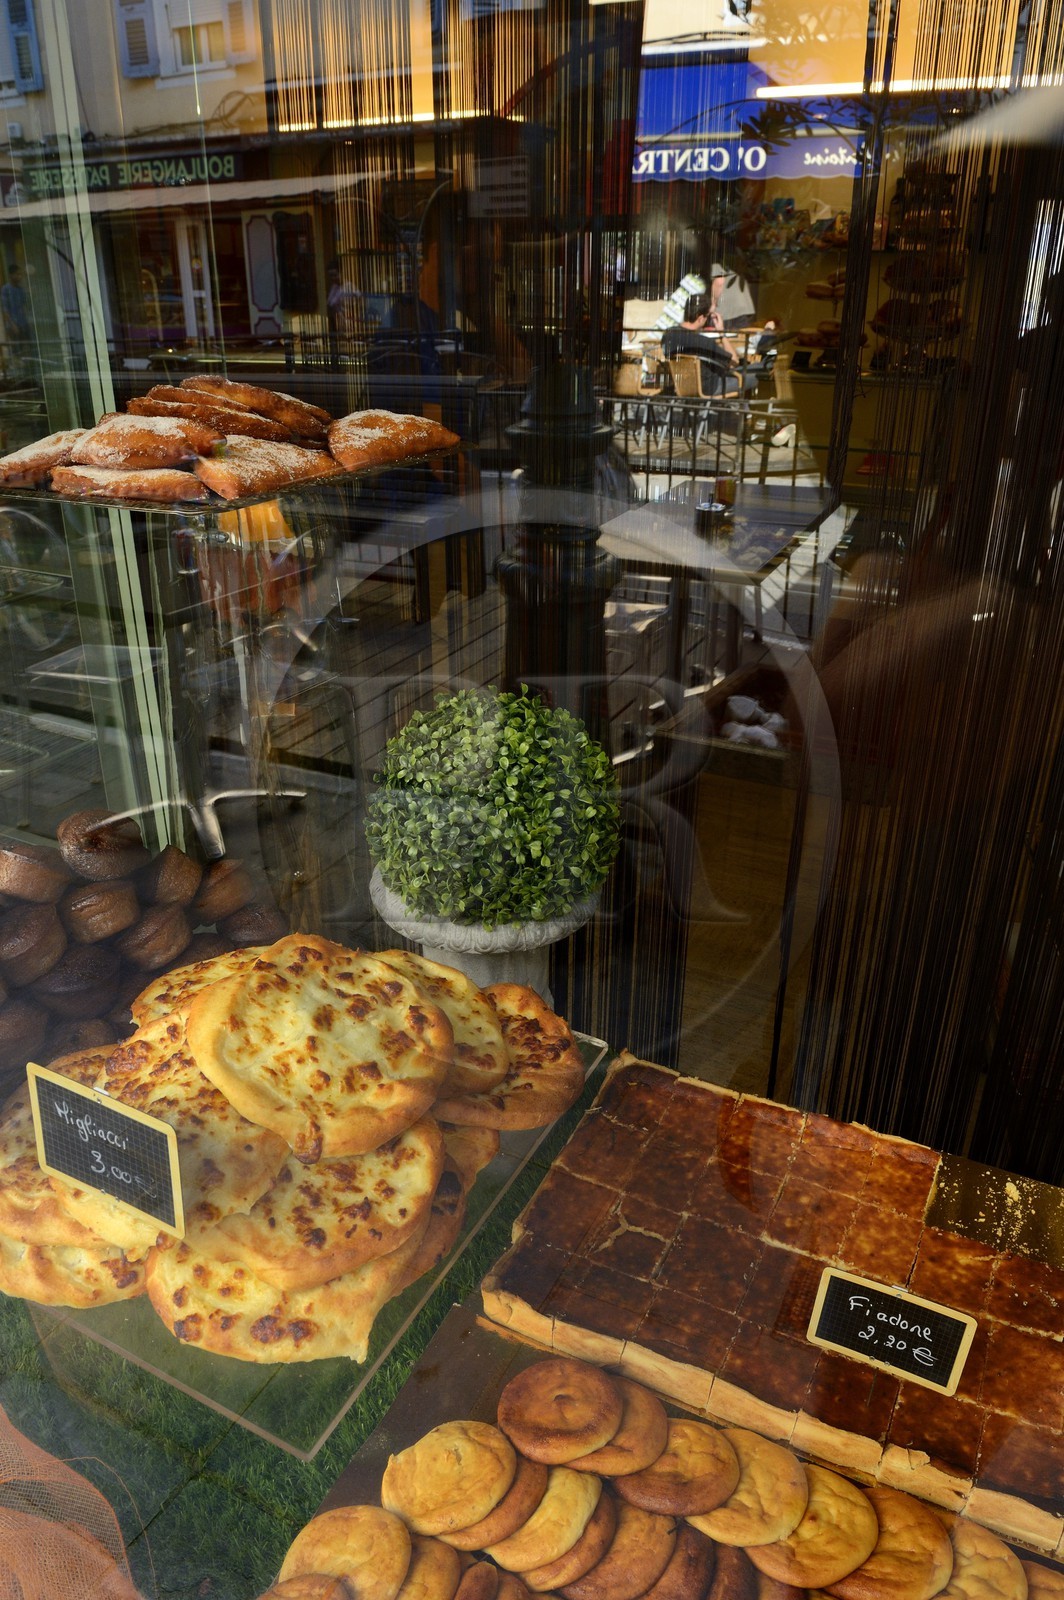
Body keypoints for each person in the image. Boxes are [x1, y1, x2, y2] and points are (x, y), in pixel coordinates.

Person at [661, 293, 745, 396]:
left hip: (681, 385)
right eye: (708, 317)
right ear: (700, 318)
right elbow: (734, 362)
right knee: (754, 376)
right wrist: (721, 333)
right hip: (708, 387)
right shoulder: (703, 342)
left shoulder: (668, 334)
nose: (708, 320)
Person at [1, 265, 31, 376]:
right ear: (11, 275)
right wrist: (13, 325)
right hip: (13, 325)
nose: (19, 277)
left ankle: (26, 372)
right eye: (17, 274)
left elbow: (24, 306)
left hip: (23, 323)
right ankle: (17, 373)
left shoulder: (21, 290)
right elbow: (5, 310)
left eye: (20, 274)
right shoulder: (6, 289)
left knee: (25, 347)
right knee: (16, 349)